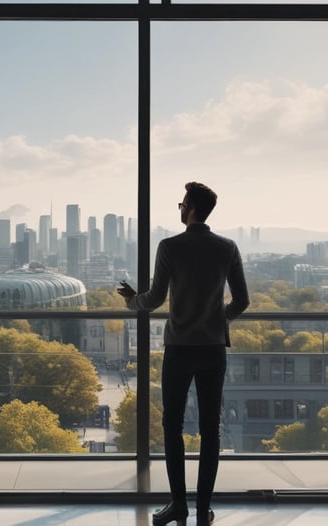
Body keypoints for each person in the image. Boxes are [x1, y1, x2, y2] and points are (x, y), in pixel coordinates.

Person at [117, 182, 249, 526]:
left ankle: (179, 505)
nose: (179, 208)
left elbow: (156, 297)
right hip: (213, 349)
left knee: (172, 425)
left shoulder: (170, 246)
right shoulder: (227, 247)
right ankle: (203, 508)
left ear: (189, 207)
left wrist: (132, 300)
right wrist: (218, 319)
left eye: (181, 203)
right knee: (210, 430)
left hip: (179, 349)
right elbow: (242, 301)